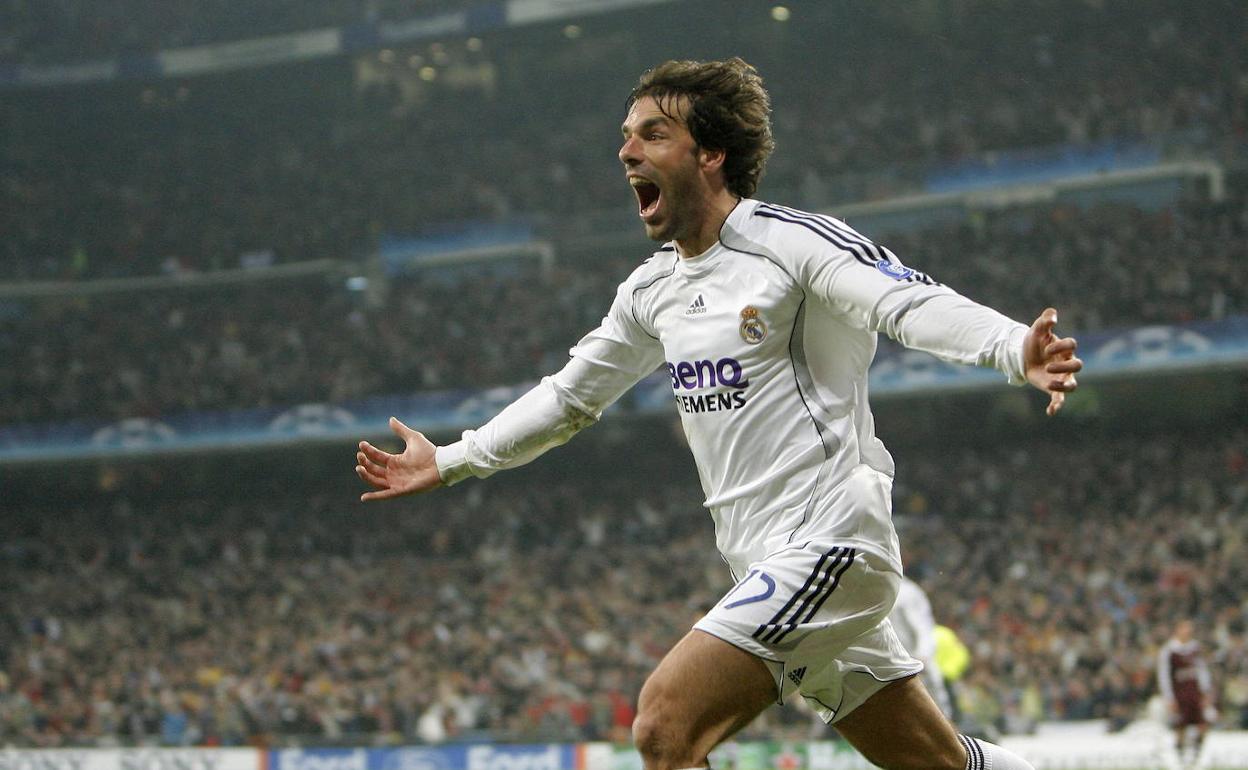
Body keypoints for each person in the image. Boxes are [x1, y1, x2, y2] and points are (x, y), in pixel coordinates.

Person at [354, 58, 1081, 770]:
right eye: (626, 135)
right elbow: (570, 397)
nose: (627, 150)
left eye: (652, 134)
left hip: (832, 542)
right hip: (759, 561)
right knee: (936, 762)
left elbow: (904, 301)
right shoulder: (653, 291)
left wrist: (1013, 347)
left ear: (710, 154)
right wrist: (450, 460)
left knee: (664, 726)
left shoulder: (792, 245)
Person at [889, 576, 953, 719]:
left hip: (916, 663)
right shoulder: (874, 589)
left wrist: (922, 655)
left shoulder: (906, 592)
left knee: (936, 714)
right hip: (893, 666)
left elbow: (923, 628)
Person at [1158, 619, 1216, 768]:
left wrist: (1206, 691)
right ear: (1177, 630)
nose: (1188, 631)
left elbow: (1202, 671)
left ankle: (1196, 755)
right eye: (1185, 628)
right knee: (1180, 726)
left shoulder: (1195, 648)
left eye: (1189, 628)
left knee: (1202, 724)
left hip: (1194, 692)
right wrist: (1169, 698)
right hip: (1179, 693)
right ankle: (1180, 758)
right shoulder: (1169, 651)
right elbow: (1164, 676)